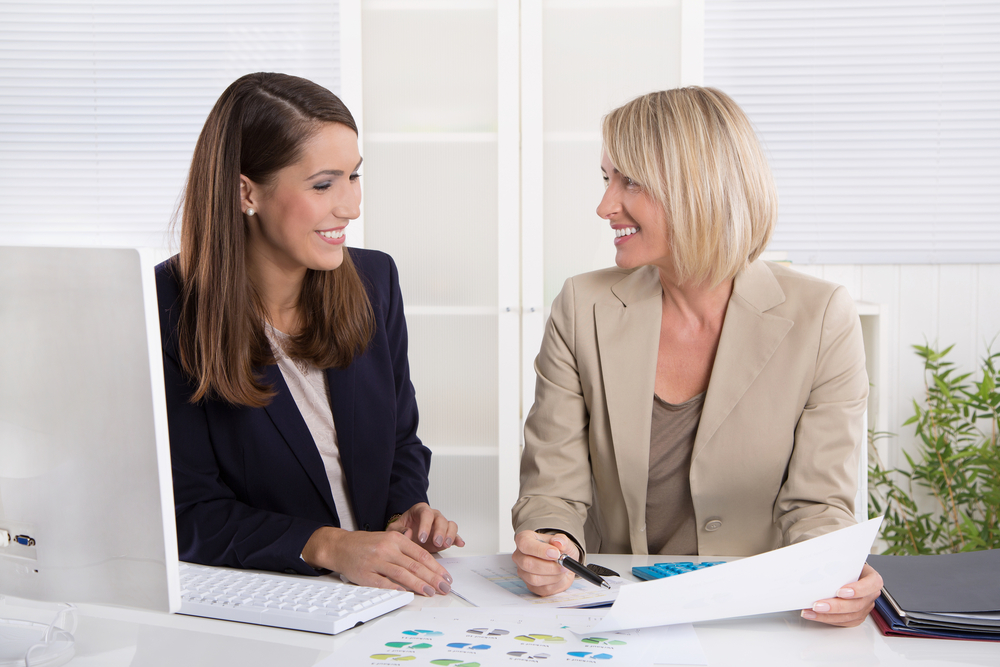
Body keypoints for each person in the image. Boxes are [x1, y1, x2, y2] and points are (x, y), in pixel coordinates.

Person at [511, 87, 882, 627]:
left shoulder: (821, 316)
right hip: (611, 608)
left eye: (629, 181)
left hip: (755, 612)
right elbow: (552, 486)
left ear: (696, 188)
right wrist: (550, 542)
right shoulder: (582, 305)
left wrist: (837, 574)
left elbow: (818, 505)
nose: (604, 205)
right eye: (606, 178)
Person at [157, 72, 463, 597]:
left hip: (375, 599)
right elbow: (186, 512)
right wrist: (326, 545)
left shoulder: (375, 281)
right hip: (261, 603)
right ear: (244, 191)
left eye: (355, 176)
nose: (351, 206)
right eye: (324, 184)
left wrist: (404, 513)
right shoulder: (166, 307)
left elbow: (400, 441)